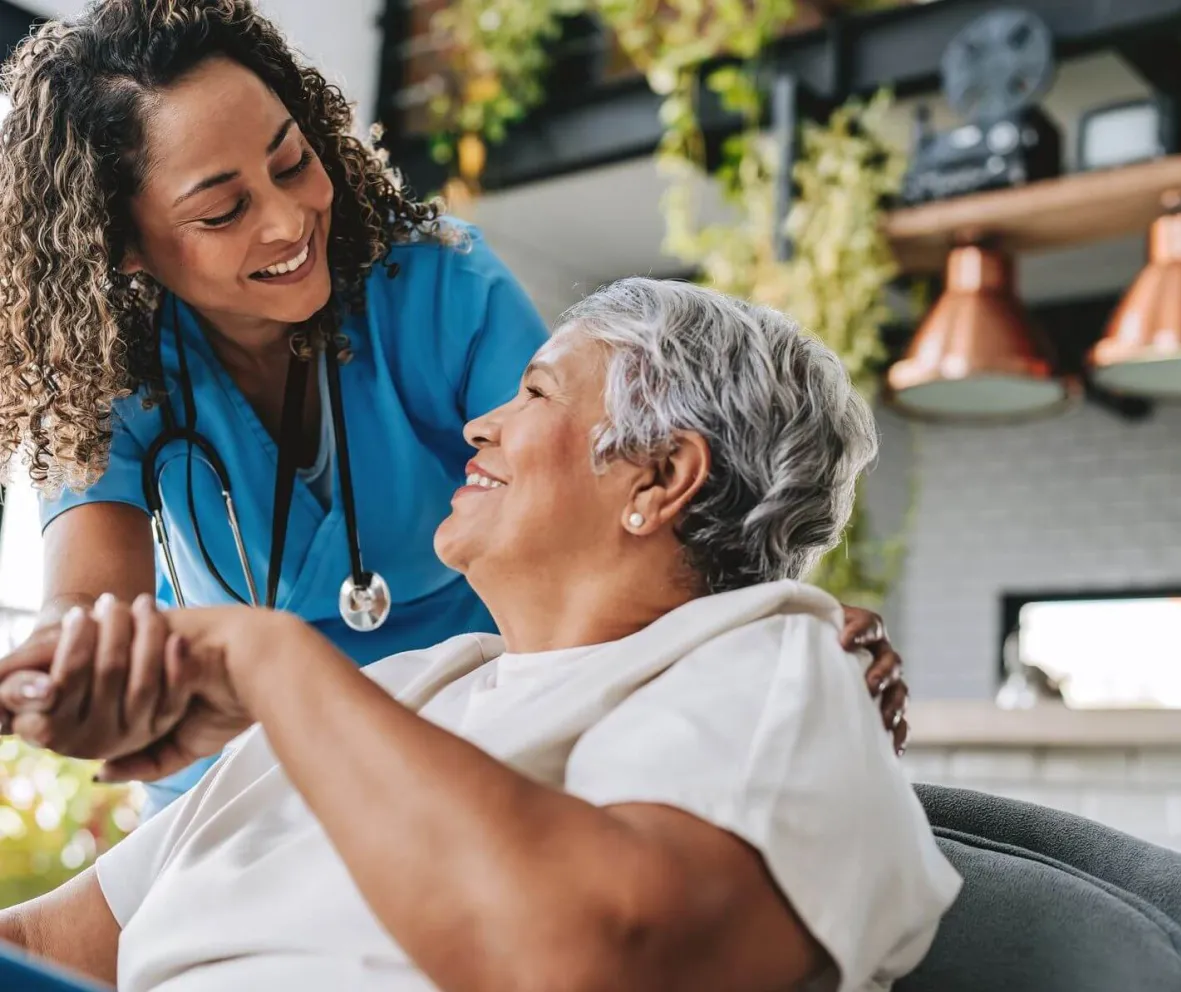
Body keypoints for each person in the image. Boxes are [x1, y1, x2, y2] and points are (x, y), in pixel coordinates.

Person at [0, 0, 907, 813]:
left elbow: (609, 495)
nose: (286, 221)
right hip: (231, 786)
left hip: (457, 753)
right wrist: (69, 672)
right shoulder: (106, 371)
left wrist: (776, 634)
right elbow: (85, 604)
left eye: (291, 162)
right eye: (223, 211)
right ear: (123, 245)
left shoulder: (437, 288)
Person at [0, 280, 960, 992]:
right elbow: (48, 948)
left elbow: (588, 956)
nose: (478, 424)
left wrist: (267, 655)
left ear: (660, 476)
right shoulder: (410, 687)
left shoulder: (776, 669)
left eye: (537, 394)